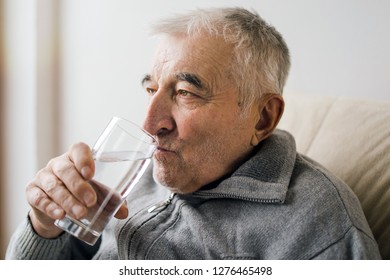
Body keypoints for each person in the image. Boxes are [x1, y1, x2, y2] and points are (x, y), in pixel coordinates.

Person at [6, 7, 381, 260]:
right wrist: (44, 226)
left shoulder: (316, 224)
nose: (151, 124)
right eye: (152, 89)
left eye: (186, 93)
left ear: (263, 118)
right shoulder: (134, 176)